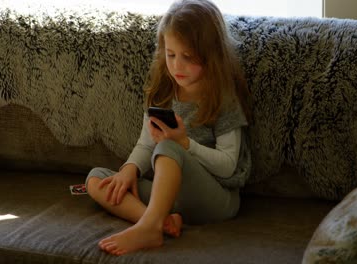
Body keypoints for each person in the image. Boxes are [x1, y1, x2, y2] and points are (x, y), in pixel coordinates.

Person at [85, 0, 251, 256]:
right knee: (97, 179)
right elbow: (145, 143)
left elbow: (228, 166)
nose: (177, 66)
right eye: (171, 55)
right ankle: (158, 222)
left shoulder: (223, 99)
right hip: (170, 198)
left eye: (188, 57)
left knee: (168, 146)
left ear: (211, 54)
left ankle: (149, 228)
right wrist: (130, 169)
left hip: (216, 200)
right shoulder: (162, 93)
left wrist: (184, 144)